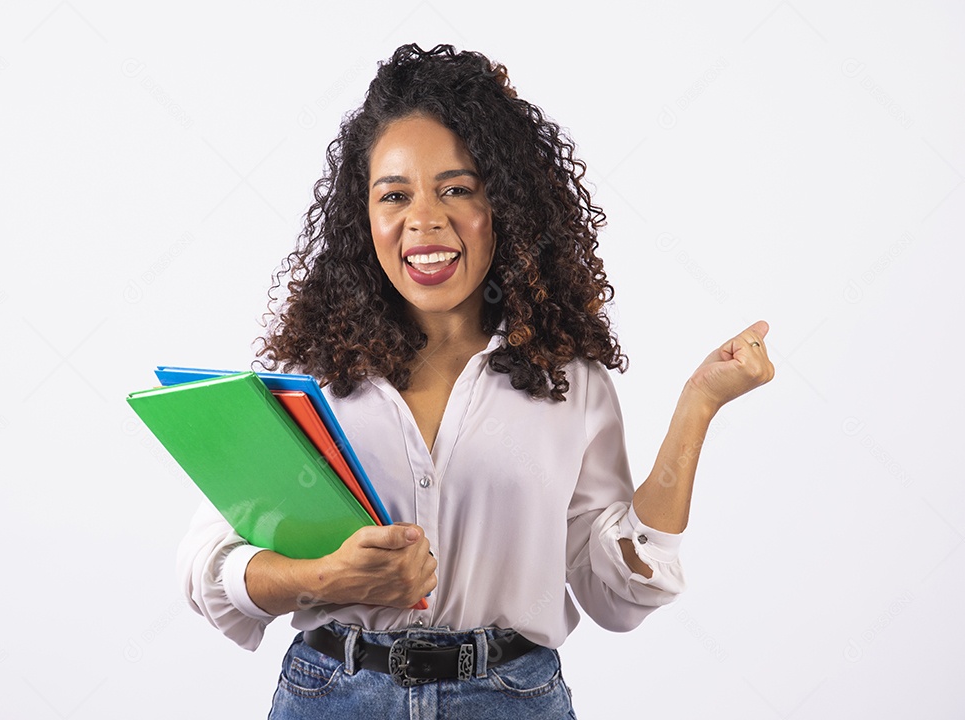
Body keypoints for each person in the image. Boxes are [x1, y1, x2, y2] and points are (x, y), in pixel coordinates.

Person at [178, 43, 774, 718]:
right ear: (363, 218)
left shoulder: (566, 379)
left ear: (506, 205)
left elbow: (614, 592)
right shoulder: (309, 376)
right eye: (394, 195)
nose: (424, 220)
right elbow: (214, 562)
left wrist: (698, 407)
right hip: (331, 697)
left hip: (510, 698)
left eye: (457, 189)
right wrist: (328, 577)